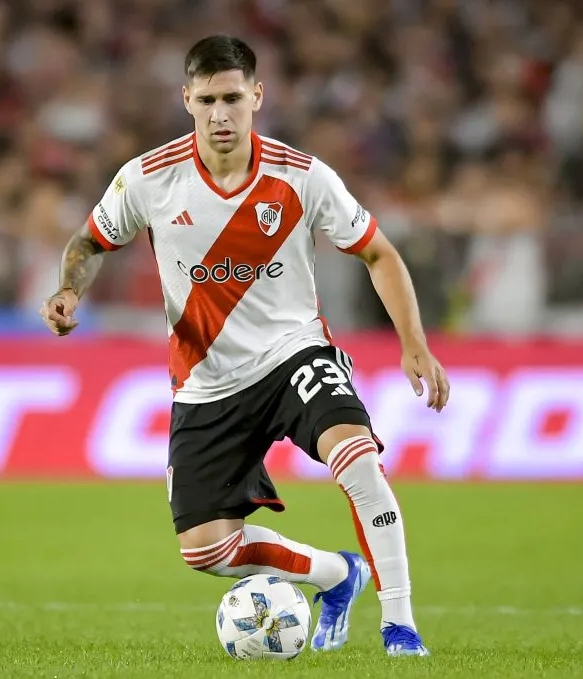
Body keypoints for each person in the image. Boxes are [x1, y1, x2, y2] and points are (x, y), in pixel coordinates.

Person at [41, 35, 449, 657]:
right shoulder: (148, 180)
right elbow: (88, 242)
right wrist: (68, 291)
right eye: (206, 100)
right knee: (205, 550)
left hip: (295, 356)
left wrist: (413, 343)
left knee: (358, 460)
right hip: (205, 382)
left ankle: (401, 626)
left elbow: (377, 252)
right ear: (187, 99)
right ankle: (338, 575)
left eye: (233, 97)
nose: (220, 114)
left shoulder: (301, 176)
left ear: (257, 96)